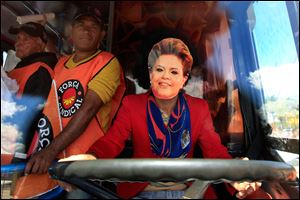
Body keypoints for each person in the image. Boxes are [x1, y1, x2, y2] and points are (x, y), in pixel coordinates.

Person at [60, 38, 266, 199]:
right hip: (140, 193)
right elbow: (112, 142)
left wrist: (236, 173)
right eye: (159, 69)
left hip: (190, 193)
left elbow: (215, 150)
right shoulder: (132, 104)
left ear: (184, 79)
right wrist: (91, 157)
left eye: (174, 71)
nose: (165, 76)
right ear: (150, 74)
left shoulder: (198, 108)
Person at [5, 22, 58, 162]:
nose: (19, 43)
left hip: (13, 151)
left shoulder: (41, 70)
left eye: (26, 39)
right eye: (18, 38)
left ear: (41, 44)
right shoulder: (16, 70)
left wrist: (20, 156)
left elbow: (32, 117)